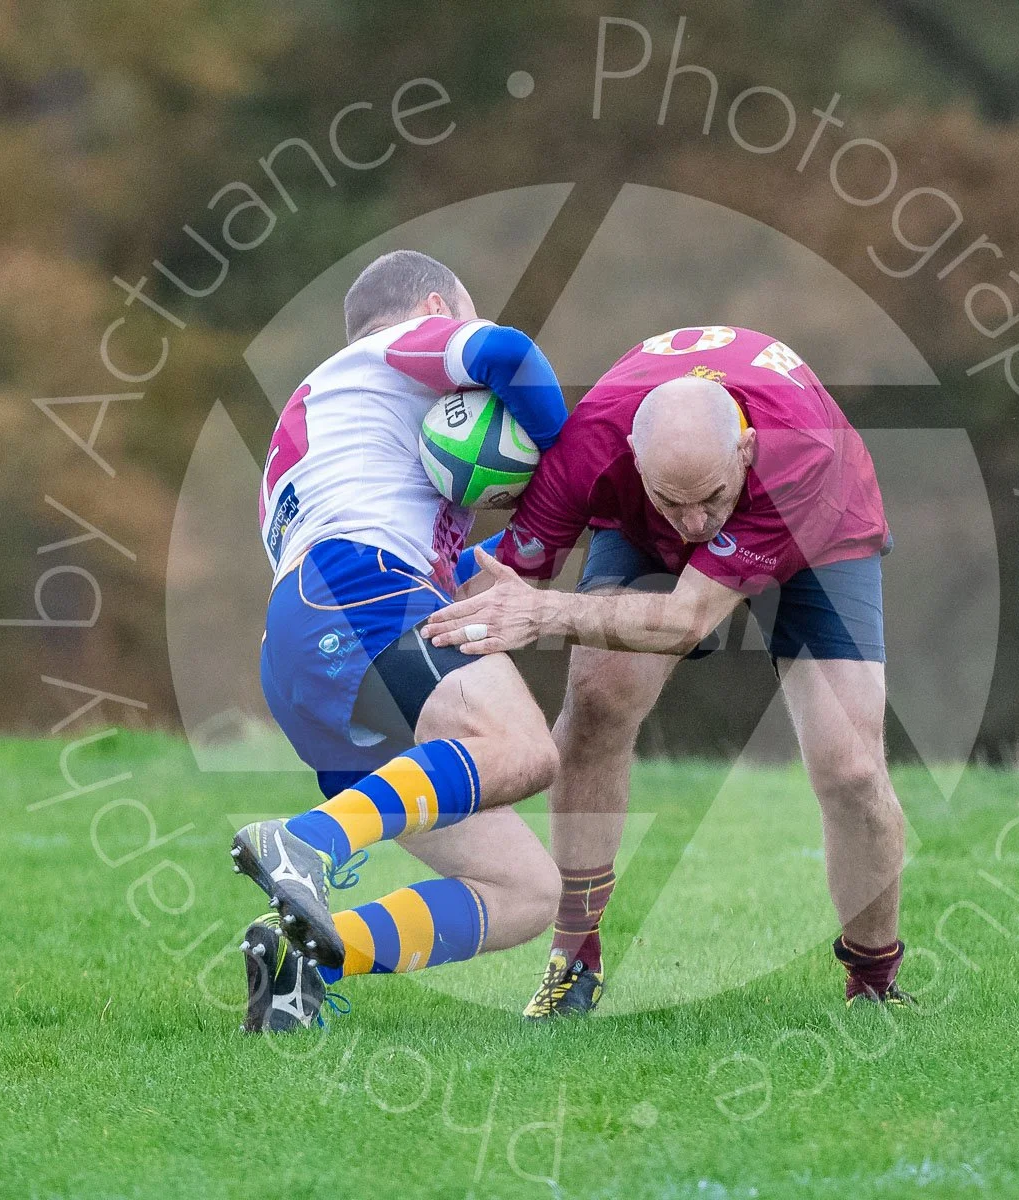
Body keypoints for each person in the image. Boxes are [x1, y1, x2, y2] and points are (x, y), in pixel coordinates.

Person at [422, 325, 912, 1017]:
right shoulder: (585, 449)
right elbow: (506, 580)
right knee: (597, 700)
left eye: (710, 498)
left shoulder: (799, 449)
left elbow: (686, 621)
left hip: (815, 531)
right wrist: (372, 596)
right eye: (670, 500)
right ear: (630, 458)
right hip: (636, 526)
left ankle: (874, 980)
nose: (693, 525)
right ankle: (573, 962)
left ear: (745, 449)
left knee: (851, 770)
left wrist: (547, 613)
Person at [233, 249, 569, 1032]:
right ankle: (302, 843)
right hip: (354, 588)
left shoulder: (338, 424)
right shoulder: (394, 345)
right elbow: (507, 353)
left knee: (524, 891)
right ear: (433, 308)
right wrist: (568, 463)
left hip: (302, 639)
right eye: (462, 311)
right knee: (523, 748)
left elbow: (438, 567)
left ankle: (305, 959)